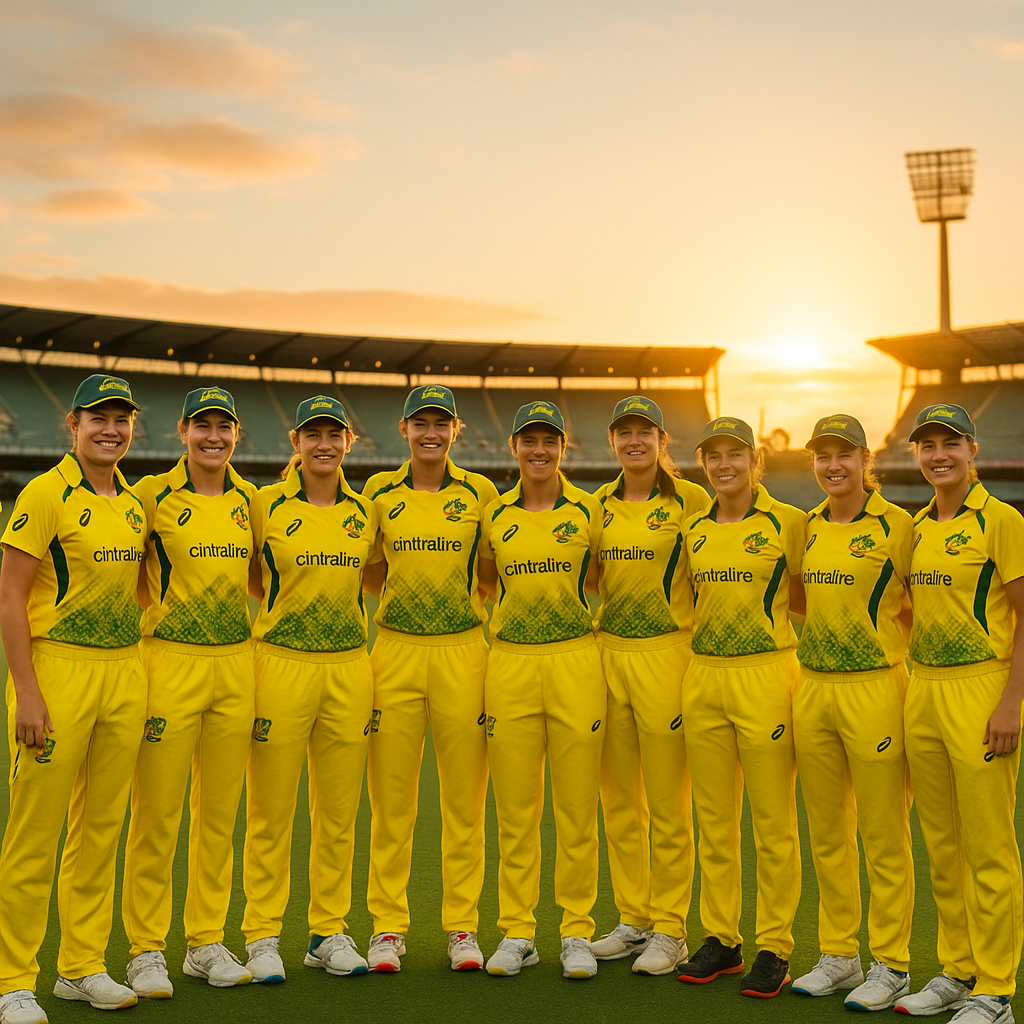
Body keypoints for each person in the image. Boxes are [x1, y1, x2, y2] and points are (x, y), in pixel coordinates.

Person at [0, 375, 146, 1024]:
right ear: (73, 424)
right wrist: (27, 693)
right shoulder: (45, 492)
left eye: (121, 419)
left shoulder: (135, 502)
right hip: (58, 673)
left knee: (100, 831)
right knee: (35, 835)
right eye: (98, 419)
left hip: (124, 674)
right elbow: (9, 597)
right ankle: (11, 979)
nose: (111, 429)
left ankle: (81, 966)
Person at [121, 385, 257, 995]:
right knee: (157, 813)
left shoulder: (251, 500)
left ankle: (205, 941)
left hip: (236, 667)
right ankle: (146, 949)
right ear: (181, 431)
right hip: (169, 664)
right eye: (202, 426)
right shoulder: (149, 495)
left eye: (223, 427)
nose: (213, 437)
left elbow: (262, 578)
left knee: (219, 814)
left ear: (235, 434)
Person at [361, 384, 498, 972]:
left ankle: (462, 928)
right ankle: (388, 928)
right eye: (421, 423)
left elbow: (491, 573)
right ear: (404, 429)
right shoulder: (378, 492)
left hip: (464, 655)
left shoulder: (480, 492)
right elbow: (369, 573)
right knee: (392, 802)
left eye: (441, 424)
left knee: (464, 802)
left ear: (455, 430)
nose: (431, 433)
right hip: (393, 653)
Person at [241, 396, 378, 982]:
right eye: (312, 433)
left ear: (348, 441)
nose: (324, 443)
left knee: (339, 812)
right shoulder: (263, 504)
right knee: (272, 811)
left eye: (334, 433)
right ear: (294, 441)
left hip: (349, 669)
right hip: (280, 667)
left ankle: (328, 931)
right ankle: (263, 935)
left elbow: (374, 576)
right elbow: (250, 576)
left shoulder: (367, 510)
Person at [895, 403, 1024, 1024]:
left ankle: (996, 989)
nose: (938, 454)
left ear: (972, 450)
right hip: (924, 692)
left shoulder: (1000, 520)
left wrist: (1009, 702)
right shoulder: (916, 526)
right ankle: (957, 968)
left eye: (951, 443)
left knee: (989, 848)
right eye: (927, 445)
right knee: (943, 847)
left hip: (981, 693)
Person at [788, 414, 916, 1010]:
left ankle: (892, 963)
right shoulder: (808, 526)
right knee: (828, 834)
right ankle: (840, 955)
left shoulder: (900, 525)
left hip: (875, 691)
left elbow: (922, 604)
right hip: (812, 688)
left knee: (884, 833)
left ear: (866, 458)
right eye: (823, 456)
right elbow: (797, 599)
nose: (833, 466)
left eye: (844, 455)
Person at [675, 416, 804, 998]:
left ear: (755, 459)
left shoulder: (789, 523)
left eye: (735, 453)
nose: (723, 464)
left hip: (767, 676)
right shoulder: (692, 525)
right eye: (713, 455)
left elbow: (807, 597)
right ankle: (721, 938)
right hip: (704, 677)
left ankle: (775, 944)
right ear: (703, 463)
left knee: (773, 822)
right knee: (715, 820)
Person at [478, 400, 606, 981]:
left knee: (577, 809)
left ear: (564, 446)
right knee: (517, 810)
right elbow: (483, 581)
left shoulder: (589, 510)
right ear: (514, 447)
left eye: (549, 440)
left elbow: (599, 577)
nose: (539, 450)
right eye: (528, 441)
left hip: (575, 663)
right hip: (509, 666)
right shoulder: (494, 513)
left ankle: (576, 930)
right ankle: (518, 930)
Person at [589, 396, 710, 975]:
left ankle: (671, 927)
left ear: (663, 440)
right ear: (613, 441)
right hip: (609, 655)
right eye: (624, 432)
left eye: (645, 432)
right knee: (619, 801)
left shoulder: (692, 500)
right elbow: (591, 577)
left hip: (667, 657)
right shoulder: (597, 505)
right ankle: (634, 918)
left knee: (666, 801)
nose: (634, 441)